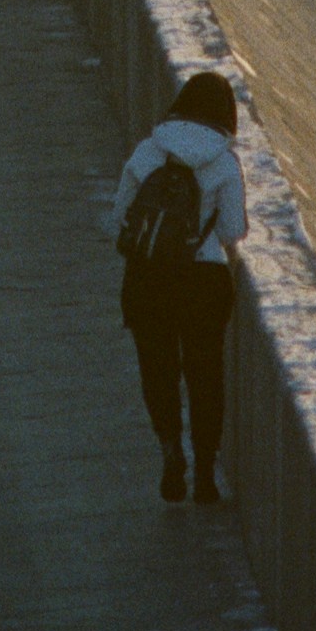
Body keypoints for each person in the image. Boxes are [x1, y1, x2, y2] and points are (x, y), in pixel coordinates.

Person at [115, 70, 248, 503]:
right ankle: (206, 472)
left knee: (159, 371)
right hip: (202, 283)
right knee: (204, 376)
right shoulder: (224, 162)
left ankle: (171, 452)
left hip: (148, 279)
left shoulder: (147, 152)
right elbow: (232, 230)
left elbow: (122, 216)